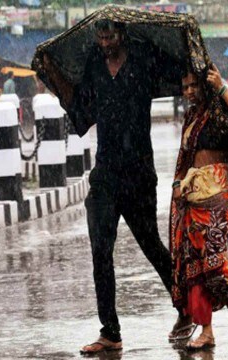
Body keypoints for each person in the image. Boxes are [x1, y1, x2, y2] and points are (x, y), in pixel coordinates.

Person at [45, 19, 193, 354]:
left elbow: (177, 69)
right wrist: (55, 78)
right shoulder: (94, 65)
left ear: (122, 35)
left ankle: (186, 308)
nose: (105, 43)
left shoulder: (143, 56)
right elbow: (82, 111)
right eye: (100, 37)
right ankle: (109, 331)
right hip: (105, 173)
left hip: (139, 171)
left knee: (151, 244)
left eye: (110, 37)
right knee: (100, 250)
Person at [170, 63, 228, 350]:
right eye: (185, 87)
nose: (190, 91)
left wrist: (221, 86)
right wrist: (178, 186)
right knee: (194, 270)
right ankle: (206, 331)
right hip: (192, 199)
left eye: (194, 85)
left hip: (218, 196)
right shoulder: (191, 117)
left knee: (216, 267)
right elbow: (185, 159)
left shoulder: (219, 109)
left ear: (206, 85)